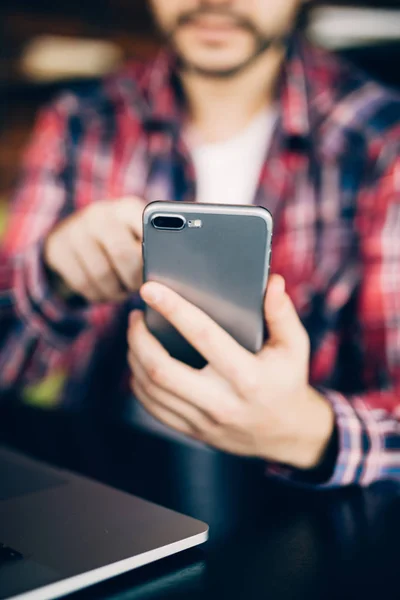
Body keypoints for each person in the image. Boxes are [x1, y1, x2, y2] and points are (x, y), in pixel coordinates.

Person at [0, 0, 399, 488]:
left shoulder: (382, 141)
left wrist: (306, 431)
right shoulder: (81, 122)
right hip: (112, 484)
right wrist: (53, 276)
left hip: (299, 512)